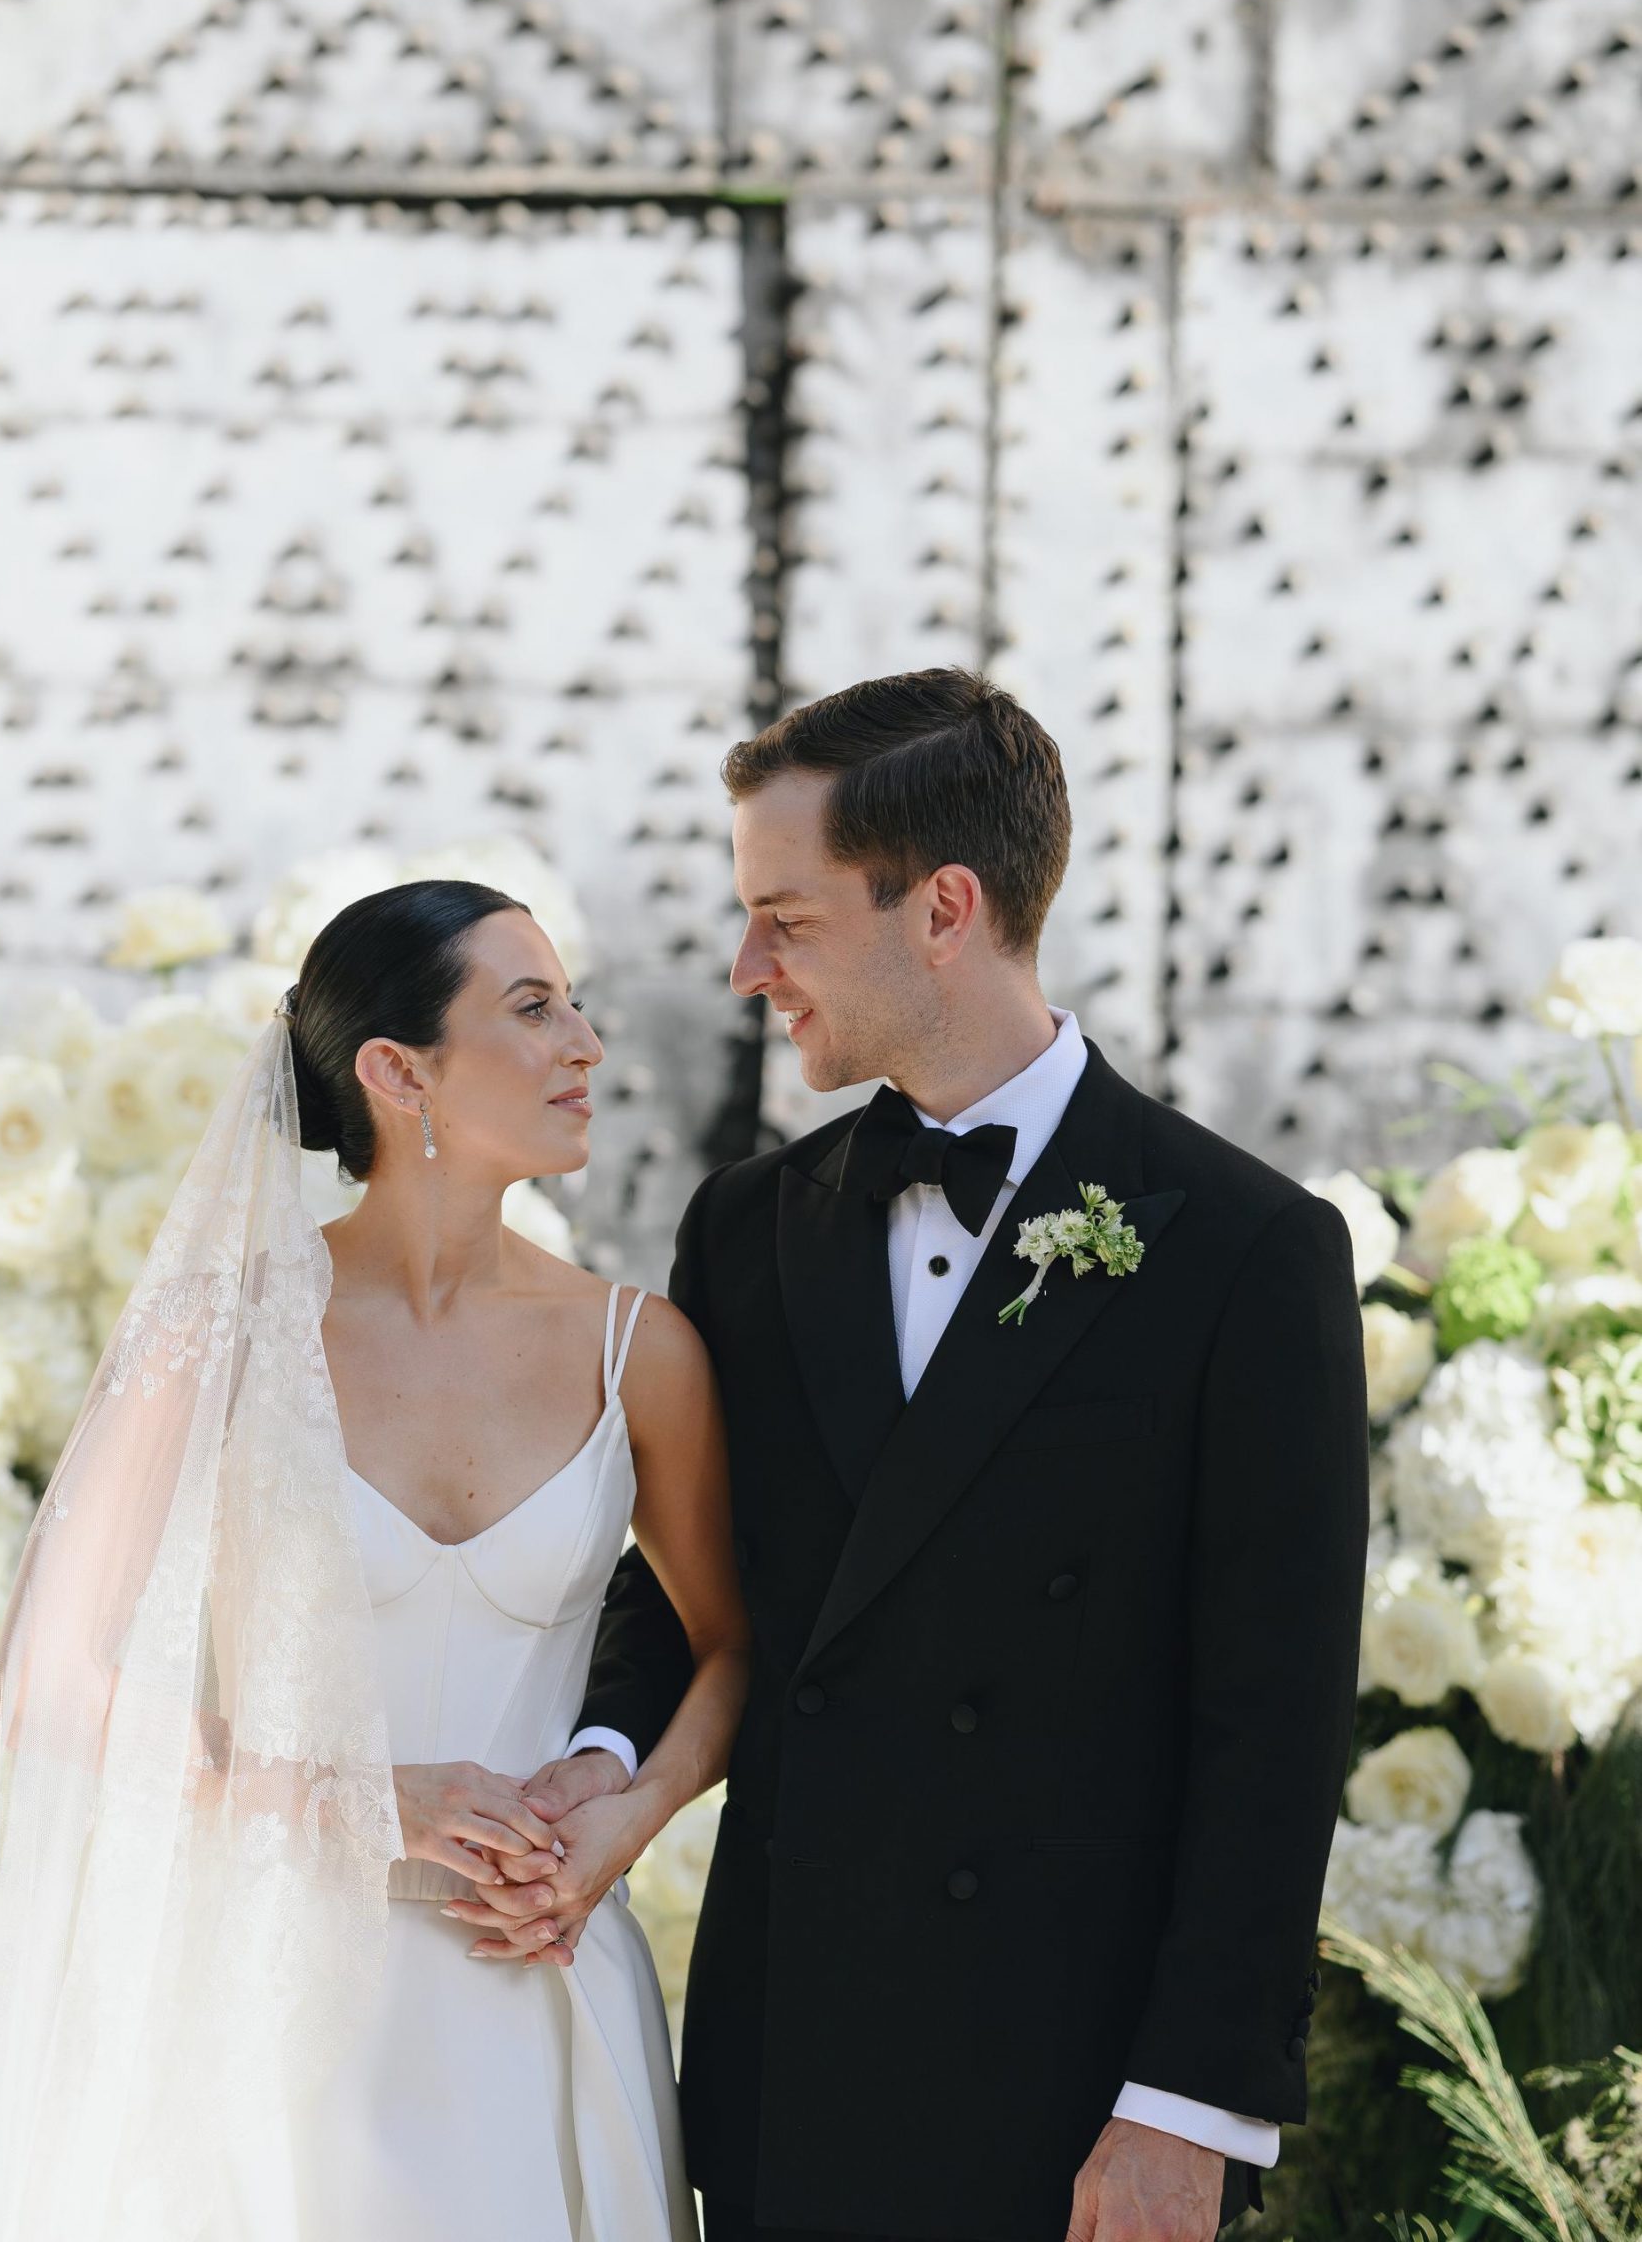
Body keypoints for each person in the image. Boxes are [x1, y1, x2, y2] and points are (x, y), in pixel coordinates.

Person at [476, 670, 1370, 2242]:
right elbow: (690, 1580)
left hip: (1079, 2105)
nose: (748, 970)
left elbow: (1275, 1725)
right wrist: (603, 1763)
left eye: (788, 920)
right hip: (791, 2064)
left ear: (945, 908)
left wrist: (1186, 2111)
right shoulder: (748, 1227)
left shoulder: (1246, 1250)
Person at [0, 879, 749, 2242]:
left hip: (541, 1984)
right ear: (397, 1072)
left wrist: (634, 1812)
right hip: (269, 2002)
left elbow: (731, 1644)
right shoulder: (219, 1332)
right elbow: (52, 1681)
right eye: (533, 1008)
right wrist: (350, 1800)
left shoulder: (640, 1352)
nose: (587, 1044)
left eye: (576, 1005)